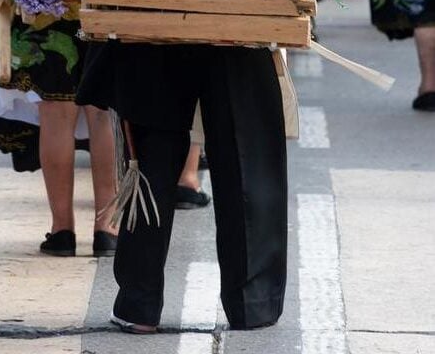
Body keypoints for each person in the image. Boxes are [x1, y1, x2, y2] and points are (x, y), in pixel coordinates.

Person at [77, 41, 287, 333]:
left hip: (154, 25)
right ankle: (253, 303)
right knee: (245, 152)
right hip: (236, 22)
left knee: (153, 155)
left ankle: (139, 304)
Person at [0, 13, 119, 257]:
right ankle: (107, 227)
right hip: (100, 2)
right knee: (102, 111)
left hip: (49, 4)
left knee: (56, 111)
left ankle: (62, 230)